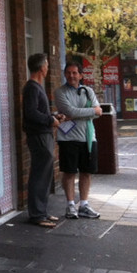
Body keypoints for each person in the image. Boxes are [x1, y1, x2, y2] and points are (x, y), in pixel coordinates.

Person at [54, 60, 103, 219]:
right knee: (69, 172)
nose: (71, 75)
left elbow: (99, 112)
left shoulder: (88, 91)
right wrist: (90, 111)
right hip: (68, 138)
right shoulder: (60, 92)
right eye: (68, 72)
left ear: (81, 75)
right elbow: (69, 111)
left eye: (75, 73)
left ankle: (83, 204)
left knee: (86, 172)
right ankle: (70, 205)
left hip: (88, 138)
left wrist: (79, 113)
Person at [22, 52, 62, 227]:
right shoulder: (31, 87)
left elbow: (38, 112)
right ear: (41, 68)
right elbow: (30, 113)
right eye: (46, 64)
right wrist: (49, 120)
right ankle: (37, 215)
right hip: (38, 136)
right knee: (39, 174)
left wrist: (54, 116)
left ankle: (42, 212)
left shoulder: (36, 87)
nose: (48, 68)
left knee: (45, 175)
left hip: (43, 134)